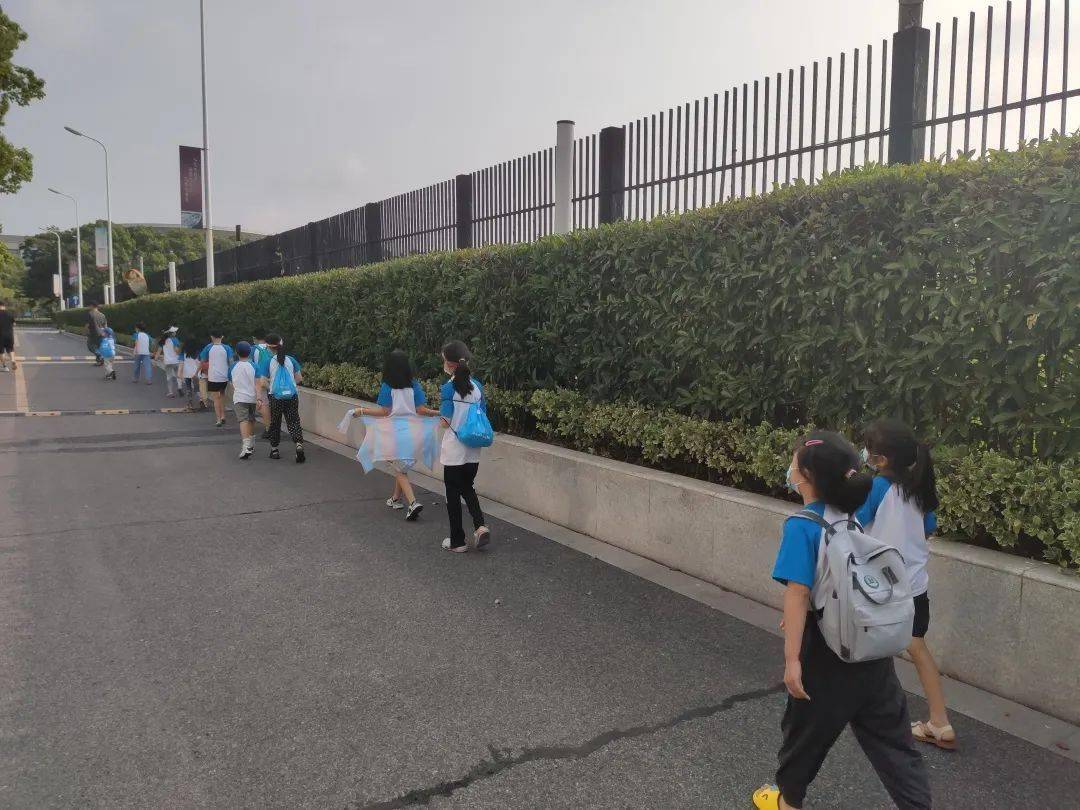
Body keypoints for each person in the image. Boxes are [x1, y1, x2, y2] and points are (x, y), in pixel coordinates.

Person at [753, 431, 931, 810]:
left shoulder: (802, 525)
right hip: (872, 652)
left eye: (793, 464)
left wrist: (792, 660)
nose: (790, 470)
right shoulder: (851, 519)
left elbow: (798, 594)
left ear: (806, 476)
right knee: (895, 747)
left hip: (827, 656)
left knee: (803, 740)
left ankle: (787, 801)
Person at [856, 418, 952, 751]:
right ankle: (940, 722)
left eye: (868, 449)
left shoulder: (876, 487)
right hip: (915, 587)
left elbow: (854, 522)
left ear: (881, 459)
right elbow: (928, 528)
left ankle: (863, 714)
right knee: (917, 648)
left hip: (881, 588)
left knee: (863, 646)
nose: (865, 454)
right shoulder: (917, 490)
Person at [352, 349, 441, 520]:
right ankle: (396, 499)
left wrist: (361, 411)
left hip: (392, 432)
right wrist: (438, 413)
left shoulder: (387, 385)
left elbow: (384, 412)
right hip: (414, 432)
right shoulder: (414, 384)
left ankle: (413, 503)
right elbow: (421, 410)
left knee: (399, 468)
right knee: (400, 466)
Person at [437, 340, 491, 553]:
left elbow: (445, 421)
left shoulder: (448, 388)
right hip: (473, 449)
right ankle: (480, 525)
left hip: (454, 450)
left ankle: (458, 541)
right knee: (468, 487)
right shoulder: (477, 387)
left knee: (452, 494)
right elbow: (482, 414)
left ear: (450, 364)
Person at [259, 333, 305, 462]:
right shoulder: (291, 359)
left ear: (268, 347)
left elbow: (262, 382)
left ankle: (274, 450)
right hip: (292, 396)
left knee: (275, 423)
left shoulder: (267, 362)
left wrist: (272, 388)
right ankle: (299, 445)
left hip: (275, 397)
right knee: (294, 420)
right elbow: (299, 378)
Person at [229, 342, 260, 459]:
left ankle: (246, 446)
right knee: (251, 419)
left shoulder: (233, 366)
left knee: (243, 420)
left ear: (236, 352)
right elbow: (258, 384)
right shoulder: (254, 366)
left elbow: (231, 383)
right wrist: (259, 398)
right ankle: (251, 443)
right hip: (252, 397)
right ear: (250, 352)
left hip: (239, 397)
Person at [199, 330, 234, 427]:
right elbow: (231, 362)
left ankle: (218, 419)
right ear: (222, 337)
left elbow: (202, 360)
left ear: (212, 337)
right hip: (224, 377)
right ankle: (223, 416)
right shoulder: (227, 348)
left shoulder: (208, 347)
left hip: (213, 377)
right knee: (222, 396)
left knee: (216, 398)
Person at [250, 330, 272, 436]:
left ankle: (269, 428)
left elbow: (250, 364)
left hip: (260, 378)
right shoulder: (271, 347)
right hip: (272, 378)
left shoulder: (253, 349)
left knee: (263, 403)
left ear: (254, 338)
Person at [154, 326, 184, 398]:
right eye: (174, 332)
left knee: (169, 377)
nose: (175, 333)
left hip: (167, 362)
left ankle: (170, 392)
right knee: (178, 375)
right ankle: (179, 387)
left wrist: (155, 360)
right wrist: (180, 353)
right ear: (172, 333)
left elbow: (158, 352)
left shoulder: (163, 341)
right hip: (175, 361)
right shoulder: (175, 340)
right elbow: (176, 350)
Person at [180, 335, 205, 411]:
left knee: (188, 388)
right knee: (198, 389)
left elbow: (181, 363)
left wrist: (179, 373)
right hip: (196, 373)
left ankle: (190, 403)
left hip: (187, 373)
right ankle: (201, 401)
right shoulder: (198, 352)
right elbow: (201, 362)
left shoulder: (183, 352)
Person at [0, 301, 16, 372]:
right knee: (10, 349)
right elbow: (14, 324)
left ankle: (5, 367)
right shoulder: (10, 313)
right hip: (9, 335)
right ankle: (13, 360)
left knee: (1, 352)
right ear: (4, 306)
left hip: (1, 336)